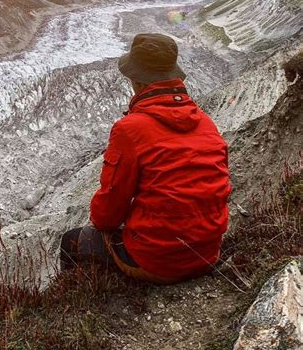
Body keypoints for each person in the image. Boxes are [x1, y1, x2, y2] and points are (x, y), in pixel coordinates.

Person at [60, 33, 231, 283]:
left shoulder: (130, 129)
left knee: (71, 241)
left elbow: (107, 214)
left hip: (156, 261)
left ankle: (76, 299)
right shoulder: (206, 123)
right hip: (207, 254)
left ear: (138, 81)